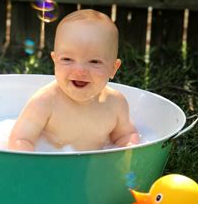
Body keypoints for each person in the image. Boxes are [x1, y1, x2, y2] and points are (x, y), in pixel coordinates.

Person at [8, 9, 139, 152]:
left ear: (113, 68)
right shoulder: (45, 101)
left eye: (94, 61)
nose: (80, 70)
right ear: (55, 61)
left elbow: (126, 135)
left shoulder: (116, 104)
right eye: (67, 59)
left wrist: (128, 149)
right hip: (51, 164)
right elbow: (21, 139)